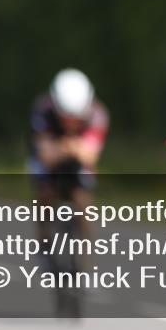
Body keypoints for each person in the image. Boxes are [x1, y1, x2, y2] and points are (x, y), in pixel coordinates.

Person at [28, 69, 109, 239]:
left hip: (73, 159)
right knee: (44, 192)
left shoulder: (98, 113)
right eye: (65, 118)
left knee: (83, 199)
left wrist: (64, 148)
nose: (71, 124)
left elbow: (90, 156)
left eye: (77, 119)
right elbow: (46, 156)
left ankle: (86, 249)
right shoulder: (43, 110)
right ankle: (44, 237)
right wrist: (71, 147)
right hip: (50, 156)